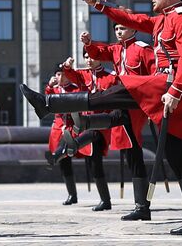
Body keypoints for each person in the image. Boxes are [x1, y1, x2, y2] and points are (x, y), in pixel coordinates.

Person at [20, 0, 182, 235]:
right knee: (177, 159)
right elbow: (131, 18)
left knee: (125, 84)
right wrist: (100, 5)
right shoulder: (162, 21)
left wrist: (176, 91)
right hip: (163, 90)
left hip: (173, 88)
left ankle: (51, 104)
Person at [69, 22, 155, 221]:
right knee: (132, 155)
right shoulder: (116, 49)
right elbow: (101, 51)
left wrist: (154, 103)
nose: (118, 32)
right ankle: (141, 206)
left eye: (122, 28)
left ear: (134, 30)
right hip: (123, 100)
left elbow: (154, 75)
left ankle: (82, 121)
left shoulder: (143, 49)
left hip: (136, 100)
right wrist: (89, 43)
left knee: (132, 148)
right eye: (116, 29)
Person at [59, 54, 118, 212]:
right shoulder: (83, 74)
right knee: (94, 163)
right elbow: (71, 75)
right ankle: (105, 200)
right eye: (86, 57)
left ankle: (70, 146)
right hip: (86, 124)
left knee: (95, 158)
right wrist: (66, 66)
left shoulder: (110, 76)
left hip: (103, 123)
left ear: (99, 57)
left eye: (92, 57)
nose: (89, 60)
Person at [44, 64, 80, 205]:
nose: (61, 77)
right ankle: (72, 195)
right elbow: (46, 103)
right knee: (64, 163)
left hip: (72, 127)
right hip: (58, 128)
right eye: (58, 74)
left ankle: (54, 157)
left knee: (64, 152)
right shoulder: (54, 90)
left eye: (63, 74)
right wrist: (48, 86)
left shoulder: (75, 89)